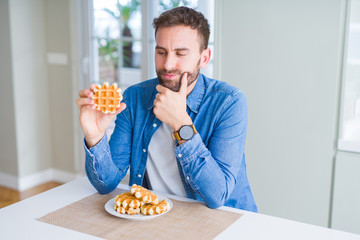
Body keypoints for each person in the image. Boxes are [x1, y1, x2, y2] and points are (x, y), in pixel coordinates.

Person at [77, 6, 257, 212]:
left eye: (180, 53)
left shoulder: (229, 102)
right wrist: (95, 137)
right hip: (158, 216)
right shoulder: (134, 98)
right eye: (161, 52)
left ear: (204, 58)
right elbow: (106, 184)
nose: (168, 64)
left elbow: (218, 195)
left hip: (227, 219)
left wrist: (181, 124)